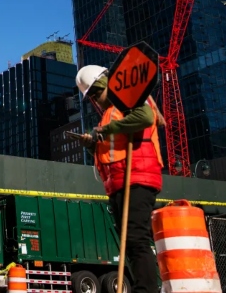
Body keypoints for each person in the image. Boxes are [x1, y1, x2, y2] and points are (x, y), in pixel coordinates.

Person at [75, 65, 162, 293]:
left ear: (105, 84)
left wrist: (109, 129)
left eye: (96, 94)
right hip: (120, 183)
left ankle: (146, 290)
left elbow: (146, 116)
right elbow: (111, 152)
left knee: (136, 239)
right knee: (129, 244)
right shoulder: (110, 111)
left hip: (137, 178)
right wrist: (92, 145)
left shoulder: (129, 96)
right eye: (91, 97)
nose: (96, 100)